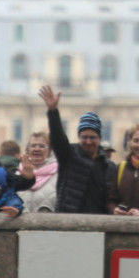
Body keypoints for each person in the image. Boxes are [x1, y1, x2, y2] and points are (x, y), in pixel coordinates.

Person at [34, 85, 107, 213]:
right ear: (79, 137)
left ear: (99, 138)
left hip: (97, 224)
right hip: (69, 221)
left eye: (92, 137)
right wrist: (53, 111)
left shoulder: (107, 165)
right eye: (84, 137)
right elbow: (58, 138)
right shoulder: (69, 155)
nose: (88, 141)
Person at [17, 132, 58, 214]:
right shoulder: (19, 173)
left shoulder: (58, 174)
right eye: (33, 146)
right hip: (22, 225)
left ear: (50, 151)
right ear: (28, 150)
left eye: (42, 146)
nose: (37, 149)